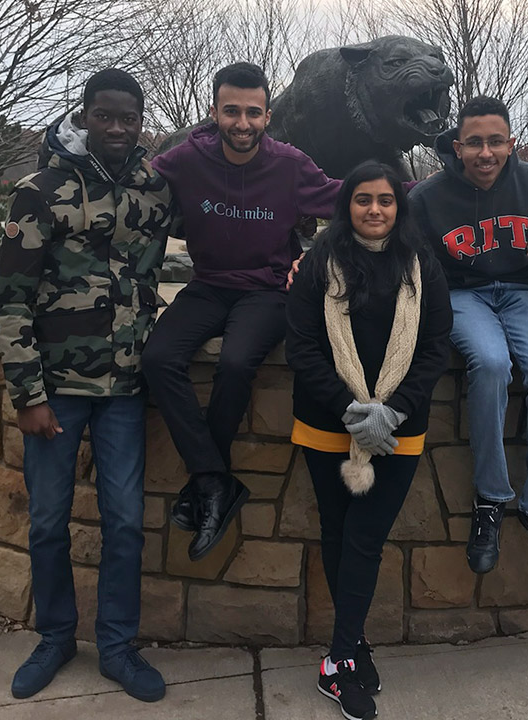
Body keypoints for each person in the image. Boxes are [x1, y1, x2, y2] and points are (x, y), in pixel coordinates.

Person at [0, 69, 175, 703]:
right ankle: (55, 636)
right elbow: (10, 298)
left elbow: (155, 265)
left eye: (130, 118)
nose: (119, 128)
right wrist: (28, 394)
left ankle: (118, 646)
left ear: (140, 120)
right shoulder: (39, 192)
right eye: (106, 116)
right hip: (58, 388)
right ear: (86, 115)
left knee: (124, 524)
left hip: (125, 388)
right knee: (47, 521)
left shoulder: (155, 190)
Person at [142, 62, 345, 561]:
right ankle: (213, 478)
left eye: (253, 113)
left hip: (268, 289)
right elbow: (136, 183)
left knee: (235, 363)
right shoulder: (188, 157)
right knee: (157, 358)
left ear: (267, 116)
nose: (242, 122)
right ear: (213, 112)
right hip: (208, 284)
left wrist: (419, 194)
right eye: (231, 111)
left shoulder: (290, 163)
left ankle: (207, 483)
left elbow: (345, 196)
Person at [285, 161, 452, 720]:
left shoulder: (421, 262)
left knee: (363, 538)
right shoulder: (318, 263)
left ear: (399, 205)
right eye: (363, 199)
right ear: (346, 204)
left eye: (385, 200)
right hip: (327, 423)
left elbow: (435, 347)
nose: (375, 210)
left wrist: (394, 411)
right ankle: (352, 649)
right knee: (339, 534)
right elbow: (303, 346)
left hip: (399, 431)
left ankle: (336, 660)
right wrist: (351, 409)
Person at [407, 96, 528, 579]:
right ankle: (491, 499)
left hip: (519, 291)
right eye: (474, 142)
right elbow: (408, 263)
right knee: (492, 363)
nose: (485, 152)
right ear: (457, 147)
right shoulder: (427, 198)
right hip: (461, 295)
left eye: (495, 141)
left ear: (510, 144)